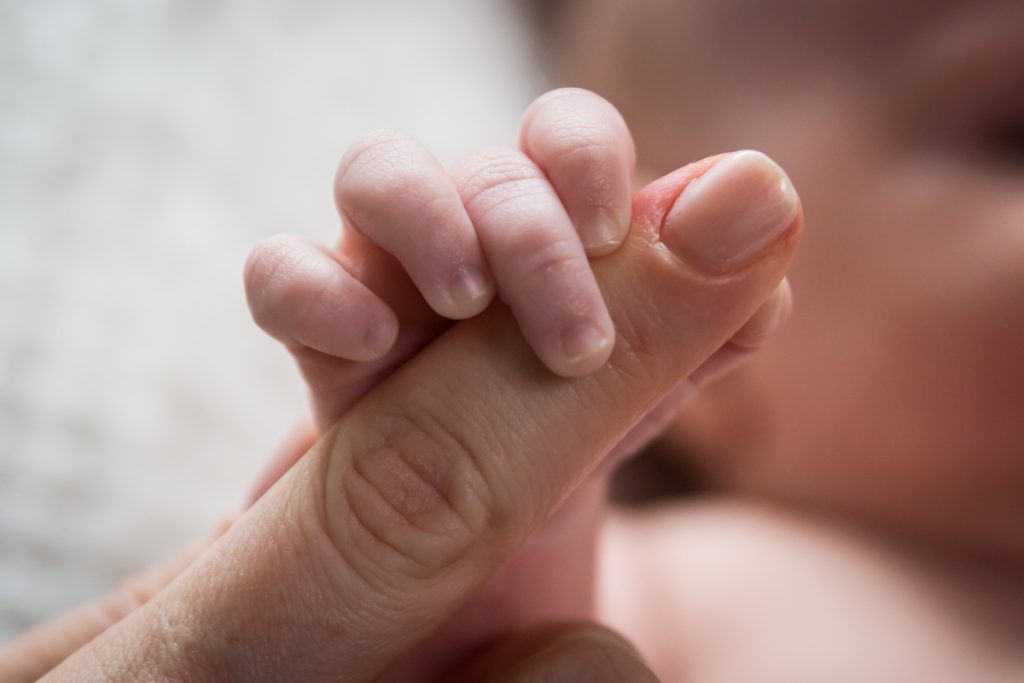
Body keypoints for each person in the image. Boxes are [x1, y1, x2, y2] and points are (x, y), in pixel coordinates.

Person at [4, 0, 1023, 680]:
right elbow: (455, 648)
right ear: (692, 330)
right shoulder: (718, 584)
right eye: (1011, 129)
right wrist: (518, 419)